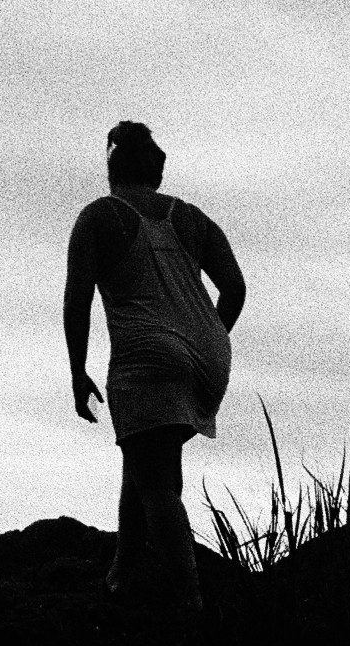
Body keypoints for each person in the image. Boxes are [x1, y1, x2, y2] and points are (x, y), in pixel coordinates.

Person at [63, 119, 246, 619]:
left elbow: (77, 299)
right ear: (157, 169)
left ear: (111, 168)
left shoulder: (99, 217)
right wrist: (202, 342)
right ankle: (123, 570)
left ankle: (191, 603)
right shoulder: (192, 218)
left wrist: (77, 372)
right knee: (145, 461)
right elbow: (235, 289)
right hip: (209, 353)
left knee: (159, 486)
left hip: (147, 356)